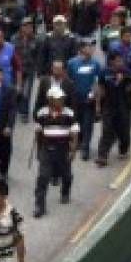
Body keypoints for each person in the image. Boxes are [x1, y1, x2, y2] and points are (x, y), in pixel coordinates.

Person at [33, 86, 78, 218]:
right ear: (50, 99)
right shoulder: (42, 113)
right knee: (43, 177)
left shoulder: (69, 113)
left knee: (67, 175)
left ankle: (65, 192)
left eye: (62, 98)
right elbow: (38, 132)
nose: (60, 101)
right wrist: (38, 151)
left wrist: (73, 150)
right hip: (47, 149)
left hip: (63, 149)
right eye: (57, 99)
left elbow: (74, 132)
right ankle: (39, 205)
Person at [96, 52, 131, 166]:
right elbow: (100, 89)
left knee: (124, 132)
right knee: (106, 131)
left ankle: (123, 150)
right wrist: (98, 106)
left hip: (123, 107)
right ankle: (102, 156)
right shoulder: (104, 73)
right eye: (118, 60)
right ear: (111, 61)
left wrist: (122, 82)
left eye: (121, 60)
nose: (120, 63)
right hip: (108, 107)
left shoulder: (127, 72)